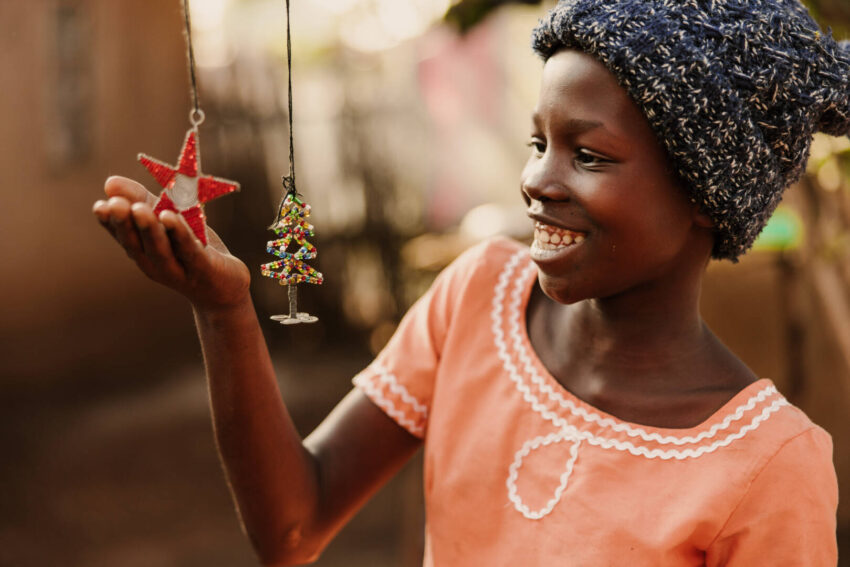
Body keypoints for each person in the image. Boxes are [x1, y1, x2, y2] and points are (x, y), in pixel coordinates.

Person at [93, 0, 845, 564]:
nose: (536, 179)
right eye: (537, 141)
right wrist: (226, 309)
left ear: (700, 195)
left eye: (588, 156)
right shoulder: (479, 296)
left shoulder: (769, 467)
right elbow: (293, 522)